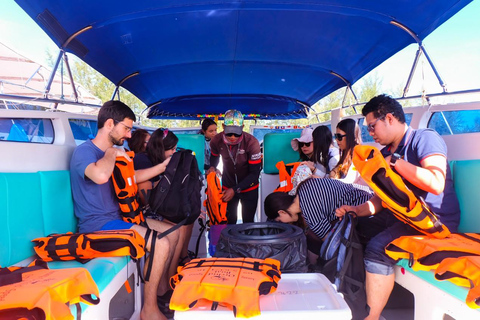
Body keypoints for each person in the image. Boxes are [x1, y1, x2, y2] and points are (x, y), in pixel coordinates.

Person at [335, 94, 461, 320]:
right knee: (354, 229)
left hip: (433, 222)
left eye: (372, 127)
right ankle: (352, 298)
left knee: (377, 249)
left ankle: (370, 317)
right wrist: (356, 210)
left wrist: (396, 163)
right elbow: (381, 200)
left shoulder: (424, 139)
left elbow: (436, 182)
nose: (370, 134)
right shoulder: (384, 154)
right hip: (404, 218)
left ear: (390, 118)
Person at [70, 100, 179, 320]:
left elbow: (131, 178)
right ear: (110, 123)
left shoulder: (116, 152)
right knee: (161, 243)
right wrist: (111, 153)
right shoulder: (84, 152)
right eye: (127, 128)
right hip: (97, 226)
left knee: (173, 232)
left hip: (120, 219)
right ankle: (148, 310)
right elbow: (100, 175)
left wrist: (163, 167)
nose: (129, 135)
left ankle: (159, 293)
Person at [265, 178, 372, 262]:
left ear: (281, 212)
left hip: (365, 214)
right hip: (367, 196)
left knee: (312, 238)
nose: (285, 223)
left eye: (280, 220)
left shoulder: (309, 212)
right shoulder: (303, 187)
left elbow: (330, 241)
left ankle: (313, 270)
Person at [208, 109, 262, 224]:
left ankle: (247, 242)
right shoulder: (216, 141)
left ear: (242, 127)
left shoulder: (252, 143)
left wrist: (235, 189)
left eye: (237, 133)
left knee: (248, 222)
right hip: (228, 186)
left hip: (249, 188)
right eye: (229, 133)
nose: (232, 137)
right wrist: (213, 167)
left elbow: (254, 173)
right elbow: (214, 157)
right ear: (223, 126)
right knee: (229, 221)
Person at [329, 118, 363, 183]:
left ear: (350, 136)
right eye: (336, 136)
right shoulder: (345, 156)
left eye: (339, 136)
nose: (336, 140)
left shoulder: (359, 156)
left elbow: (350, 182)